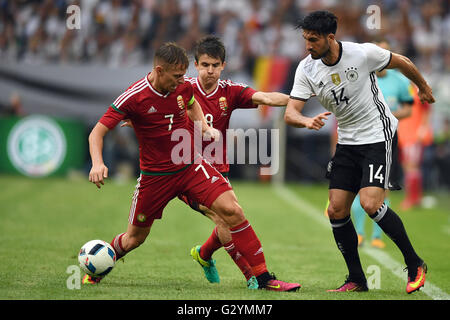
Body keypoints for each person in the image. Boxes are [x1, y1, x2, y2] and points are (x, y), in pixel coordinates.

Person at [85, 42, 300, 292]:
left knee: (232, 211)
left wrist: (204, 127)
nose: (182, 82)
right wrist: (98, 163)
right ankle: (97, 267)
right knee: (134, 239)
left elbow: (191, 103)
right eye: (176, 76)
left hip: (190, 165)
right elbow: (96, 133)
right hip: (155, 177)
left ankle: (264, 279)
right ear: (159, 70)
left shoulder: (183, 87)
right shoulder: (134, 96)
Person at [284, 11, 434, 294]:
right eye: (305, 39)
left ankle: (415, 264)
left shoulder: (362, 54)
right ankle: (356, 279)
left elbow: (402, 61)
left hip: (378, 135)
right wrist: (305, 120)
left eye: (313, 40)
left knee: (369, 203)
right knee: (336, 209)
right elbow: (291, 112)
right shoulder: (306, 68)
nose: (308, 46)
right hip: (347, 141)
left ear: (331, 37)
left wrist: (423, 87)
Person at [179, 36, 292, 288]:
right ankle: (253, 277)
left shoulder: (229, 91)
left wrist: (301, 97)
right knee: (225, 218)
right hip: (186, 170)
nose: (210, 70)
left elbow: (267, 98)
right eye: (205, 64)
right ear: (195, 65)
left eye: (215, 65)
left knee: (228, 218)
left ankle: (204, 254)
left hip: (218, 169)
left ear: (223, 65)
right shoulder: (182, 89)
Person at [352, 39, 414, 249]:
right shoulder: (361, 76)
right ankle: (359, 233)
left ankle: (377, 237)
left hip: (387, 140)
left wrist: (387, 115)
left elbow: (408, 109)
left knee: (382, 190)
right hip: (361, 138)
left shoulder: (400, 80)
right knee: (360, 188)